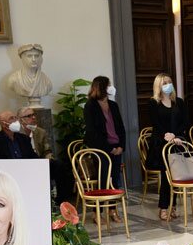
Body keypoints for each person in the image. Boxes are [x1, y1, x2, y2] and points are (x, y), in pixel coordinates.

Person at [83, 76, 127, 222]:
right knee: (102, 180)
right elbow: (92, 132)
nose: (111, 87)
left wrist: (121, 146)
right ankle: (97, 212)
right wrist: (108, 148)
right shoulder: (90, 106)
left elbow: (120, 127)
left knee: (115, 179)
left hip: (116, 147)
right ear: (101, 87)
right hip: (100, 149)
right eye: (108, 85)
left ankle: (112, 210)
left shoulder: (113, 105)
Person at [147, 73, 189, 220]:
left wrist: (176, 136)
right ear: (158, 85)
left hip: (177, 142)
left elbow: (185, 122)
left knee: (177, 176)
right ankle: (163, 207)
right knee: (166, 177)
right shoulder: (153, 103)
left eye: (169, 82)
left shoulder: (179, 102)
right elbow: (155, 123)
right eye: (164, 83)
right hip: (161, 143)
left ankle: (174, 206)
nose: (168, 85)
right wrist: (167, 135)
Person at [16, 107, 75, 206]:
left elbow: (47, 150)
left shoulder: (40, 132)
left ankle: (61, 200)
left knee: (60, 166)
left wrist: (48, 160)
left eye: (34, 115)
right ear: (21, 119)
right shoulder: (16, 133)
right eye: (29, 116)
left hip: (40, 162)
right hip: (25, 164)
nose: (33, 117)